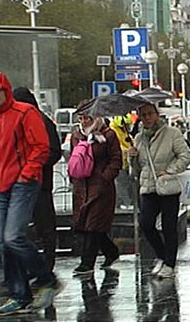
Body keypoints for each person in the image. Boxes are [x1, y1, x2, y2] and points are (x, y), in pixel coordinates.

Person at [0, 71, 62, 315]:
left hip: (23, 182)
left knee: (13, 236)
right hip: (0, 185)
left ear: (6, 90)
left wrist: (28, 172)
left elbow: (42, 146)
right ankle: (20, 294)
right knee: (3, 243)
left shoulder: (24, 112)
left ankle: (46, 278)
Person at [129, 103, 190, 279]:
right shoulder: (139, 138)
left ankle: (170, 263)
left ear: (157, 114)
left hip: (168, 186)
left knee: (169, 226)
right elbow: (135, 171)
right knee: (146, 224)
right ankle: (162, 255)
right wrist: (131, 157)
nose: (147, 118)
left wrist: (170, 171)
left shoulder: (172, 134)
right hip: (148, 187)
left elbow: (185, 156)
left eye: (150, 114)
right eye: (143, 115)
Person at [12, 87, 62, 273]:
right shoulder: (19, 121)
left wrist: (34, 164)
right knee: (26, 227)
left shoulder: (42, 122)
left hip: (38, 184)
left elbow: (53, 152)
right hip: (22, 184)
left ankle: (46, 264)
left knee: (44, 226)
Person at [70, 103, 122, 275]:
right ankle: (111, 251)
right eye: (82, 118)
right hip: (81, 186)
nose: (84, 122)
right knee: (86, 224)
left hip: (101, 187)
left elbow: (116, 160)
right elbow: (73, 158)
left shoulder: (108, 135)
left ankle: (87, 263)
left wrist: (105, 177)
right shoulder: (77, 136)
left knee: (93, 224)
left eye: (88, 118)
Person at [110, 114, 135, 210]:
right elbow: (118, 147)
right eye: (127, 125)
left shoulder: (123, 132)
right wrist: (128, 150)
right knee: (122, 184)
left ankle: (124, 202)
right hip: (119, 163)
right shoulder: (114, 132)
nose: (129, 127)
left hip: (125, 163)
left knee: (126, 183)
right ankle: (126, 203)